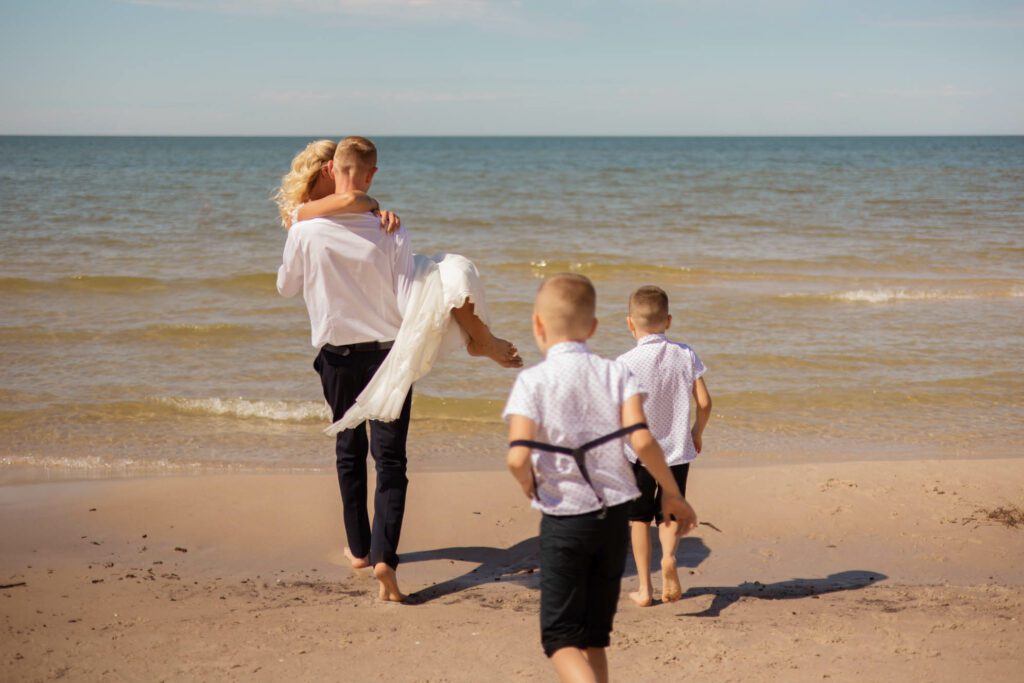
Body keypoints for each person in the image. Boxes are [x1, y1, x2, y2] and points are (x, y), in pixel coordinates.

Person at [504, 273, 698, 683]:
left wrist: (528, 484)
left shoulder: (532, 381)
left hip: (565, 519)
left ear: (537, 324)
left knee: (559, 637)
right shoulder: (616, 374)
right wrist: (674, 494)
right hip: (610, 520)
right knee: (595, 637)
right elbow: (643, 440)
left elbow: (518, 456)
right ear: (593, 328)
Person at [617, 285, 712, 606]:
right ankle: (668, 558)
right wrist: (696, 432)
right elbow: (705, 402)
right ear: (668, 321)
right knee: (669, 513)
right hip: (676, 451)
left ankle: (645, 589)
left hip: (638, 454)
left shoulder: (625, 362)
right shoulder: (685, 354)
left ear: (630, 323)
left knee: (639, 520)